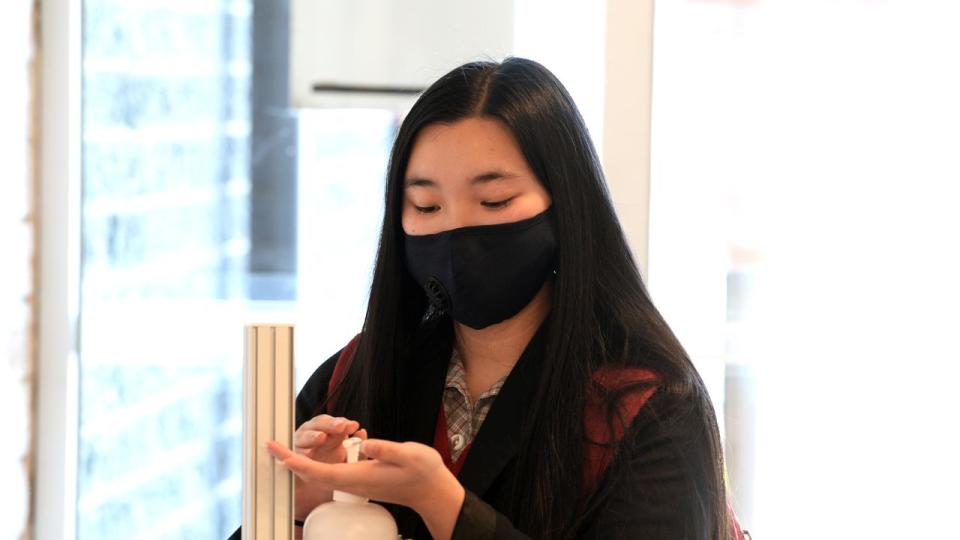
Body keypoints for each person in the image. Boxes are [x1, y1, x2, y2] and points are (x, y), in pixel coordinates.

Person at [248, 57, 744, 539]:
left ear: (565, 207)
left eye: (494, 201)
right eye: (426, 205)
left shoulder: (647, 404)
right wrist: (299, 511)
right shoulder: (356, 373)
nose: (455, 228)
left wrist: (446, 507)